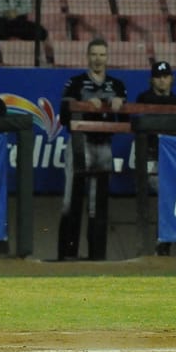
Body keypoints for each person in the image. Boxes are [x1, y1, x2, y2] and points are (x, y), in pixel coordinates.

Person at [57, 37, 126, 262]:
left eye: (102, 55)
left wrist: (119, 104)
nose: (98, 59)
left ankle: (97, 256)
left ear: (108, 57)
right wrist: (88, 104)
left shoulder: (116, 85)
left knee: (98, 202)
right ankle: (67, 254)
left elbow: (126, 116)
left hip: (104, 144)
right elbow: (64, 115)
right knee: (71, 199)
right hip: (80, 143)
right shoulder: (74, 83)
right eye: (94, 54)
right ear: (88, 56)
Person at [133, 61, 176, 256]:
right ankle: (164, 243)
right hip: (148, 158)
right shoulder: (145, 97)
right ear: (152, 80)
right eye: (158, 77)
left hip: (170, 161)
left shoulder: (175, 100)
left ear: (171, 79)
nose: (162, 80)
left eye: (165, 76)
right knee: (169, 192)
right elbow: (151, 104)